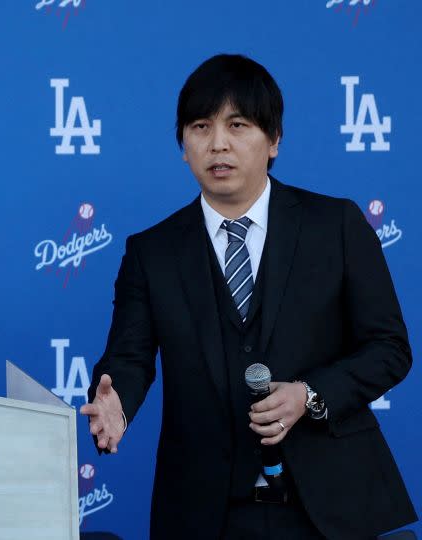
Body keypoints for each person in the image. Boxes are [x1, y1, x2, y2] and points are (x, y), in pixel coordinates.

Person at [79, 54, 415, 539]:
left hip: (329, 503)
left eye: (238, 125)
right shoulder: (152, 252)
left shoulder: (336, 226)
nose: (218, 144)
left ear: (274, 140)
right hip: (204, 508)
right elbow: (129, 358)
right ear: (183, 145)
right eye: (200, 126)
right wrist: (117, 402)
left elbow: (389, 349)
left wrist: (309, 394)